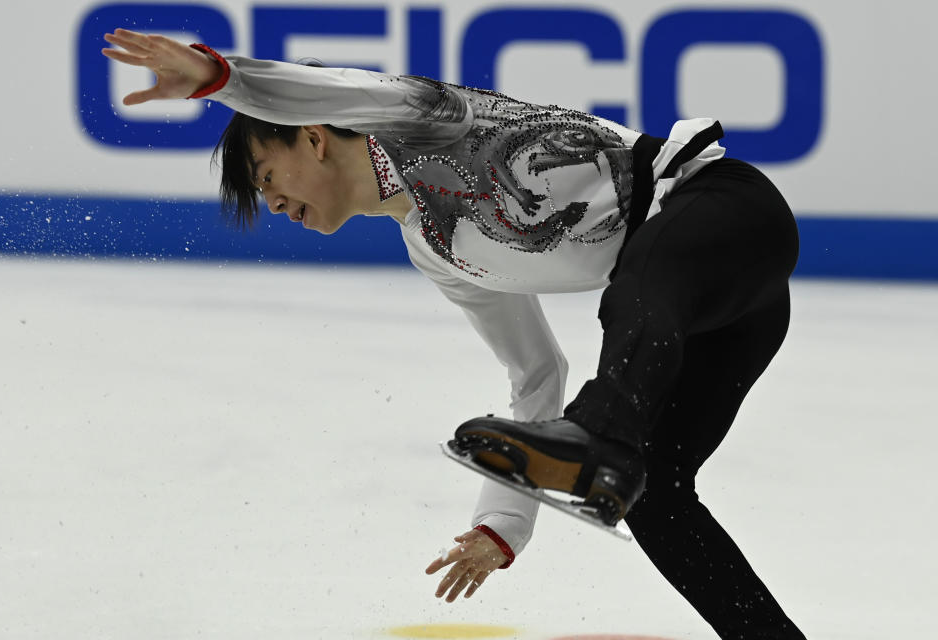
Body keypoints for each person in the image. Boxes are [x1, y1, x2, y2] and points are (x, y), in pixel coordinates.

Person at [102, 28, 806, 639]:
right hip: (721, 316)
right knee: (658, 497)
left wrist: (225, 79)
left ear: (313, 136)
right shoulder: (437, 251)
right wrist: (502, 525)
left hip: (725, 212)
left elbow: (338, 89)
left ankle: (606, 438)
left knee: (637, 285)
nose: (272, 202)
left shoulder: (425, 121)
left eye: (265, 176)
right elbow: (536, 375)